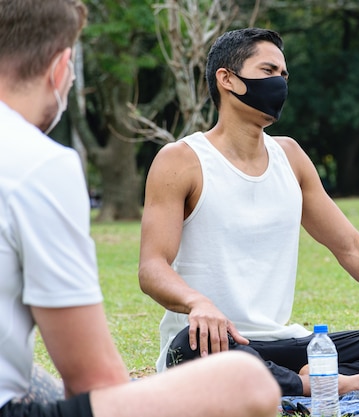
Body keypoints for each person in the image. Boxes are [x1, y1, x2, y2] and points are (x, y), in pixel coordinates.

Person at [138, 27, 359, 397]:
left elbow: (352, 247)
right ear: (227, 80)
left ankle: (314, 380)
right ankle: (311, 383)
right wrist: (197, 302)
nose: (280, 83)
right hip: (213, 344)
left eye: (284, 76)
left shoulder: (291, 157)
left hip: (285, 345)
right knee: (190, 347)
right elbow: (153, 267)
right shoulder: (181, 160)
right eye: (269, 72)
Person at [0, 2, 281, 417]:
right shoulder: (40, 162)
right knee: (244, 378)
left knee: (38, 379)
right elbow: (92, 379)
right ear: (61, 68)